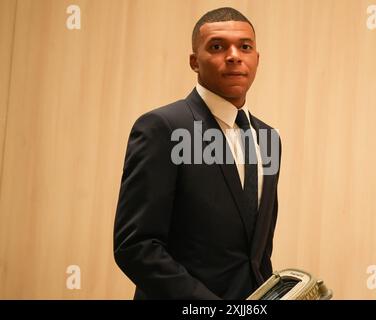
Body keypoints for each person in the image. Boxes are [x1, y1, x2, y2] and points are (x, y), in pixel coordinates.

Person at [114, 7, 281, 300]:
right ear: (194, 61)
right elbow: (136, 246)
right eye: (217, 46)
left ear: (257, 59)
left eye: (245, 47)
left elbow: (255, 254)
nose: (233, 55)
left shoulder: (269, 138)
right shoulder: (163, 127)